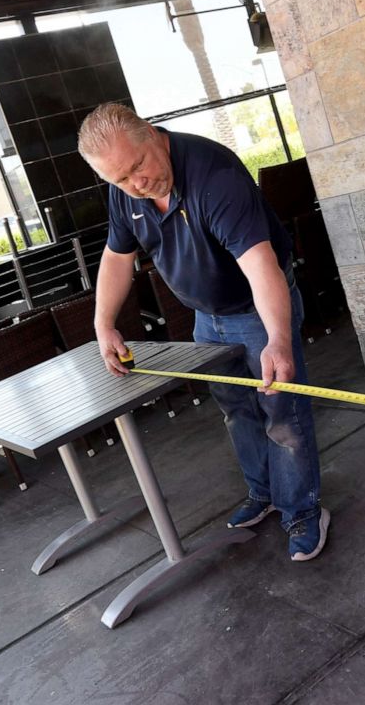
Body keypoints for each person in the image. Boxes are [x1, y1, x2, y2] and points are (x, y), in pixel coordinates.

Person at [77, 102, 329, 561]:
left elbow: (260, 264)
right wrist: (103, 324)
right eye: (120, 180)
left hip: (255, 309)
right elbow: (117, 257)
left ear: (152, 133)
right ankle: (264, 493)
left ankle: (302, 511)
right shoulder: (125, 191)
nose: (137, 184)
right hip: (205, 317)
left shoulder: (214, 175)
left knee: (281, 414)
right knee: (236, 409)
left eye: (139, 167)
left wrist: (277, 338)